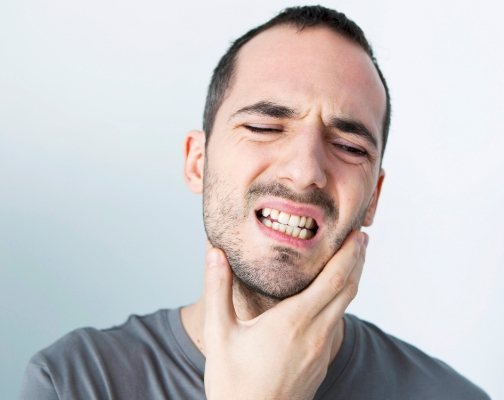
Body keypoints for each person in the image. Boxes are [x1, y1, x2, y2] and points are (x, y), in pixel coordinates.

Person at [20, 5, 490, 400]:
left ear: (373, 200)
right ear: (197, 163)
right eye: (264, 127)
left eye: (349, 147)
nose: (306, 170)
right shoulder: (73, 383)